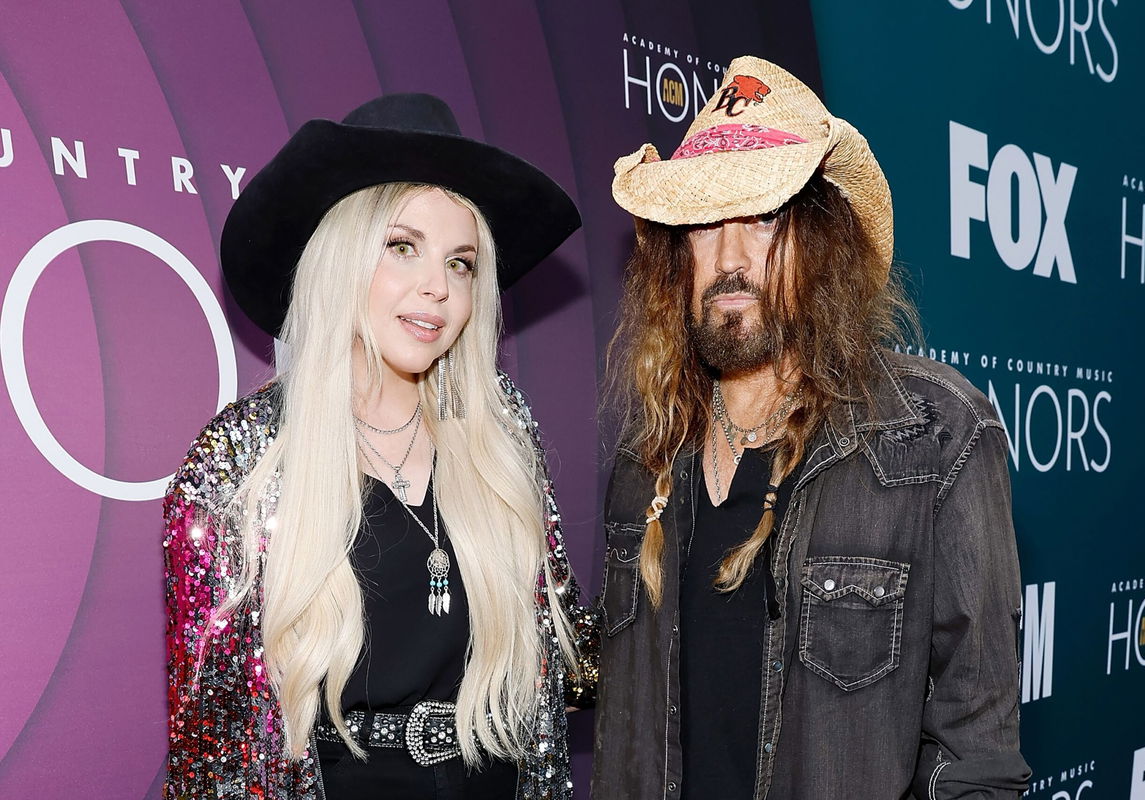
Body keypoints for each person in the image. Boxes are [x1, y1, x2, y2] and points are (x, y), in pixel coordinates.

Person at [592, 56, 1031, 799]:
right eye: (704, 224)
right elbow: (626, 748)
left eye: (762, 218)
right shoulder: (647, 461)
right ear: (675, 256)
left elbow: (978, 762)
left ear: (822, 240)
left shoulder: (935, 439)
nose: (730, 260)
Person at [162, 93, 598, 800]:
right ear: (341, 256)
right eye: (403, 247)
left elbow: (563, 646)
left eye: (461, 264)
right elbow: (210, 755)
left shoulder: (501, 428)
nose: (438, 288)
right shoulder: (239, 460)